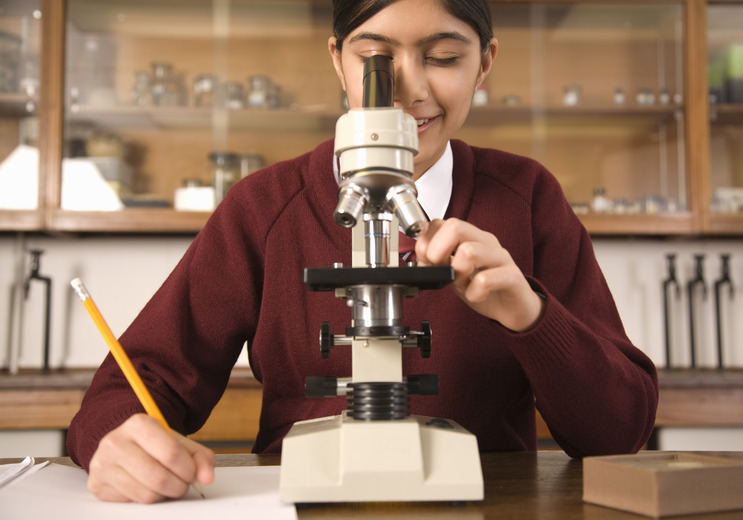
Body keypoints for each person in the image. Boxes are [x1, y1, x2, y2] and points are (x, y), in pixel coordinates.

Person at [67, 0, 658, 504]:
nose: (408, 91)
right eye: (374, 59)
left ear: (485, 63)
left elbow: (618, 432)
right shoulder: (263, 207)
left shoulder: (526, 199)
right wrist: (121, 441)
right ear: (337, 61)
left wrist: (529, 313)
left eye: (445, 58)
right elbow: (131, 387)